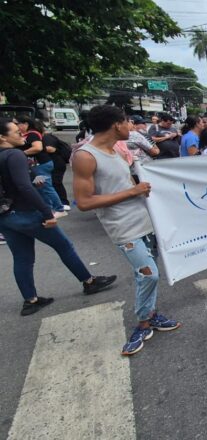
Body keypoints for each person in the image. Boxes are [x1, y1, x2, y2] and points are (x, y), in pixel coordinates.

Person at [73, 105, 181, 356]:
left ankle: (150, 315)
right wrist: (132, 192)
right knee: (150, 274)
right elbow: (84, 202)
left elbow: (127, 183)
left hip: (143, 220)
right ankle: (143, 323)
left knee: (145, 274)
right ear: (115, 125)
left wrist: (142, 189)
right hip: (122, 227)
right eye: (127, 123)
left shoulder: (116, 150)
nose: (130, 127)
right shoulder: (85, 156)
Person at [0, 118, 116, 316]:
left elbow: (14, 184)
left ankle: (31, 300)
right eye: (16, 132)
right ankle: (89, 282)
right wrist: (47, 212)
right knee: (64, 246)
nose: (21, 133)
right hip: (27, 213)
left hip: (5, 217)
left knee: (22, 257)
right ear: (2, 137)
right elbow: (23, 186)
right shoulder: (14, 155)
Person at [17, 116, 67, 217]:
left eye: (17, 123)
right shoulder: (28, 134)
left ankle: (59, 209)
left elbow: (37, 148)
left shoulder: (32, 134)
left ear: (25, 124)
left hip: (41, 164)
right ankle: (50, 209)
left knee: (46, 187)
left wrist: (21, 153)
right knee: (42, 188)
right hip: (39, 164)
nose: (16, 126)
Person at [42, 131, 72, 210]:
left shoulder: (47, 137)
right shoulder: (46, 137)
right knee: (51, 183)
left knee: (56, 183)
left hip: (57, 163)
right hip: (54, 163)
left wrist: (37, 148)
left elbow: (50, 149)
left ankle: (64, 202)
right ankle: (57, 202)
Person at [126, 116, 160, 180]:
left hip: (130, 171)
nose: (145, 125)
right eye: (143, 124)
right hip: (142, 169)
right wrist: (157, 149)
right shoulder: (135, 135)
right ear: (134, 124)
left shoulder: (118, 137)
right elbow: (154, 152)